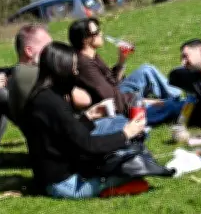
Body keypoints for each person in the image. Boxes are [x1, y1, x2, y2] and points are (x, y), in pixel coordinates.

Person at [21, 42, 149, 199]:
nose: (76, 72)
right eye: (73, 67)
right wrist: (126, 133)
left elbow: (65, 135)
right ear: (62, 69)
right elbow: (87, 144)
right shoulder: (52, 103)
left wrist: (89, 117)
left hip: (49, 177)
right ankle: (111, 189)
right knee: (132, 172)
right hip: (64, 184)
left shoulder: (41, 97)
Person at [68, 18, 186, 125]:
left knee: (146, 69)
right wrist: (152, 102)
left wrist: (122, 60)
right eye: (96, 32)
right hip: (113, 105)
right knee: (166, 106)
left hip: (116, 92)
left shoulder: (92, 55)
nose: (101, 33)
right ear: (85, 40)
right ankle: (179, 106)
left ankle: (177, 97)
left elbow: (113, 81)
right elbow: (110, 98)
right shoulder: (84, 65)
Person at [8, 24, 91, 125]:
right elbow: (84, 100)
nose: (53, 51)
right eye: (48, 47)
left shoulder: (21, 72)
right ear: (29, 51)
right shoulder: (31, 73)